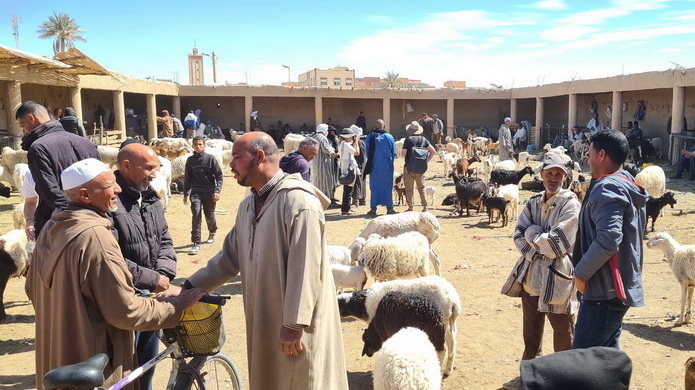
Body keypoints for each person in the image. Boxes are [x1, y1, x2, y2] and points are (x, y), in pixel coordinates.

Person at [165, 132, 349, 389]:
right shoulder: (249, 204)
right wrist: (188, 287)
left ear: (259, 157)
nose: (230, 165)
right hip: (265, 318)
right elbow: (229, 257)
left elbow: (306, 268)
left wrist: (294, 324)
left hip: (295, 324)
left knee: (300, 379)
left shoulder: (298, 202)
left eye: (237, 157)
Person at [25, 158, 204, 389]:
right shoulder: (95, 238)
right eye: (110, 185)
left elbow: (32, 289)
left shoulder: (51, 227)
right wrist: (176, 305)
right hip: (95, 357)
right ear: (85, 195)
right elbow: (125, 311)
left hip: (55, 352)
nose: (118, 188)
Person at [500, 154, 581, 390]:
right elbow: (517, 235)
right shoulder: (533, 202)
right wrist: (538, 245)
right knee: (531, 333)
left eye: (558, 174)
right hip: (531, 278)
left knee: (564, 332)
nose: (553, 178)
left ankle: (565, 382)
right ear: (542, 175)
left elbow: (557, 244)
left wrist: (533, 235)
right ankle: (530, 378)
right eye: (549, 173)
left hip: (558, 279)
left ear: (565, 176)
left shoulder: (571, 204)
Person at [110, 143, 177, 390]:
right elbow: (111, 257)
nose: (154, 173)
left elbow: (165, 238)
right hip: (124, 299)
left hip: (151, 296)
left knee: (146, 366)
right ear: (126, 166)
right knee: (124, 368)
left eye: (155, 167)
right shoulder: (110, 200)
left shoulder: (150, 196)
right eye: (148, 167)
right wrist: (151, 278)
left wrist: (164, 273)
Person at [572, 130, 648, 349]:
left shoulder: (609, 188)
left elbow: (609, 239)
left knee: (584, 361)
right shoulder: (626, 183)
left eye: (590, 153)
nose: (587, 158)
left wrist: (581, 273)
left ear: (602, 155)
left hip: (603, 292)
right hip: (613, 290)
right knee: (606, 360)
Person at [16, 101, 100, 237]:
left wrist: (74, 216)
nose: (24, 131)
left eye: (22, 125)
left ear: (31, 118)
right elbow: (101, 181)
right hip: (95, 219)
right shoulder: (85, 142)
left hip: (62, 226)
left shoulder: (38, 148)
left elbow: (50, 192)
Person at [184, 136, 223, 255]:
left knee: (209, 215)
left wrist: (217, 191)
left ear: (204, 146)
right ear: (192, 146)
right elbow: (187, 178)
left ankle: (212, 231)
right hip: (196, 192)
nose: (198, 146)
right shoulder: (190, 160)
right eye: (195, 144)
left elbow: (219, 176)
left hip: (209, 192)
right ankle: (196, 243)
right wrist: (186, 193)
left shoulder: (210, 159)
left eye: (200, 144)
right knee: (196, 215)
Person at [401, 121, 436, 212]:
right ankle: (425, 206)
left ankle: (410, 207)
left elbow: (404, 154)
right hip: (421, 168)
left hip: (409, 167)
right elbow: (433, 151)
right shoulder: (424, 140)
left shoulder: (408, 140)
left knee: (409, 188)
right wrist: (426, 161)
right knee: (421, 188)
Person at [364, 119, 397, 217]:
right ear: (384, 126)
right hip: (387, 166)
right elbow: (393, 152)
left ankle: (373, 209)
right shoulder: (389, 137)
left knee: (374, 187)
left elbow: (367, 152)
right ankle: (389, 208)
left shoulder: (370, 137)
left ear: (375, 126)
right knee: (387, 187)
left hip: (374, 166)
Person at [310, 124, 338, 205]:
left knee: (319, 182)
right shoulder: (322, 138)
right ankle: (328, 200)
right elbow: (326, 149)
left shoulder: (314, 137)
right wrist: (334, 153)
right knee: (327, 182)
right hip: (324, 163)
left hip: (317, 163)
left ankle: (321, 199)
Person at [338, 128, 360, 215]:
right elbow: (357, 152)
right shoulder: (345, 145)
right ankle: (346, 209)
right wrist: (356, 142)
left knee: (346, 189)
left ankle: (345, 208)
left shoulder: (341, 144)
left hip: (344, 168)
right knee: (349, 190)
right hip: (349, 169)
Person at [351, 124, 367, 207]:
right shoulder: (360, 143)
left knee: (357, 182)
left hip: (358, 165)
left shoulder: (358, 143)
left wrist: (358, 165)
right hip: (361, 165)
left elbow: (360, 156)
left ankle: (356, 200)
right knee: (361, 182)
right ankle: (362, 200)